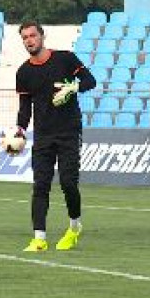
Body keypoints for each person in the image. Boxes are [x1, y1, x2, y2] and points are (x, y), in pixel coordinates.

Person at [11, 22, 97, 252]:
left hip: (69, 131)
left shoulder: (65, 59)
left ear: (42, 36)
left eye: (33, 35)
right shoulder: (23, 72)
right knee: (40, 185)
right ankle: (39, 238)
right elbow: (24, 107)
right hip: (43, 136)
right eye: (25, 37)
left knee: (68, 183)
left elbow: (91, 81)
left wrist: (73, 88)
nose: (29, 40)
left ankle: (74, 227)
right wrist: (19, 129)